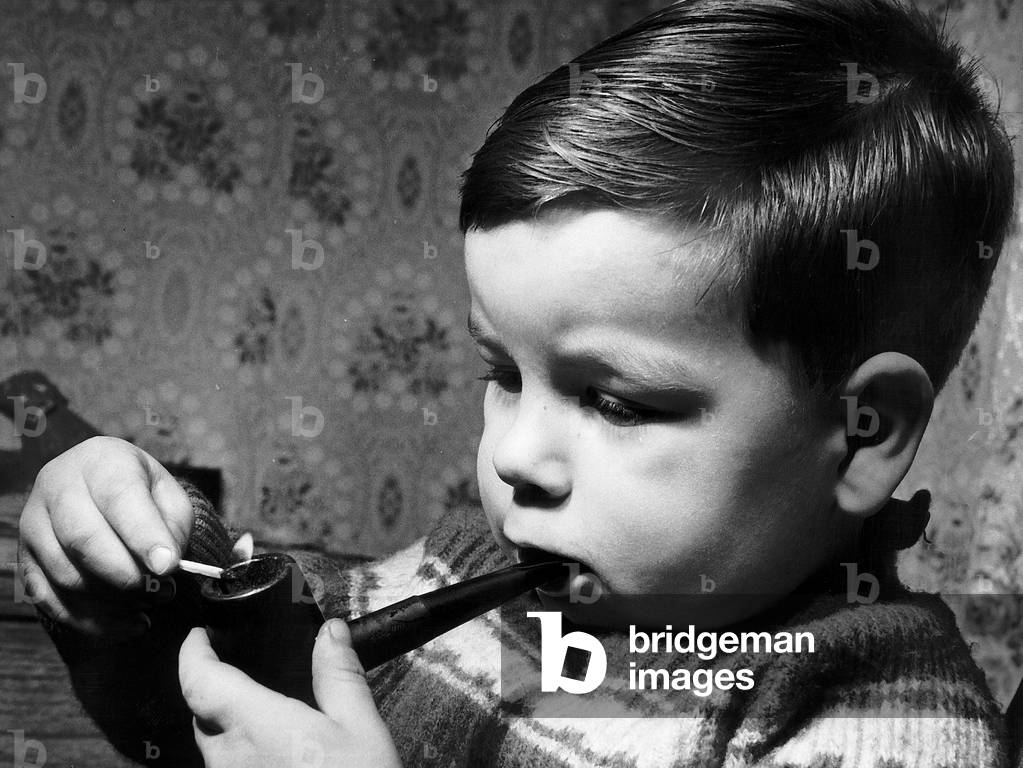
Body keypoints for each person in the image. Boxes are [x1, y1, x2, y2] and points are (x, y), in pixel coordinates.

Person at [17, 0, 1017, 765]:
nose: (513, 456)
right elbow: (214, 709)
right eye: (503, 372)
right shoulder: (459, 576)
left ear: (862, 430)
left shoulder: (881, 720)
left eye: (614, 400)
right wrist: (137, 585)